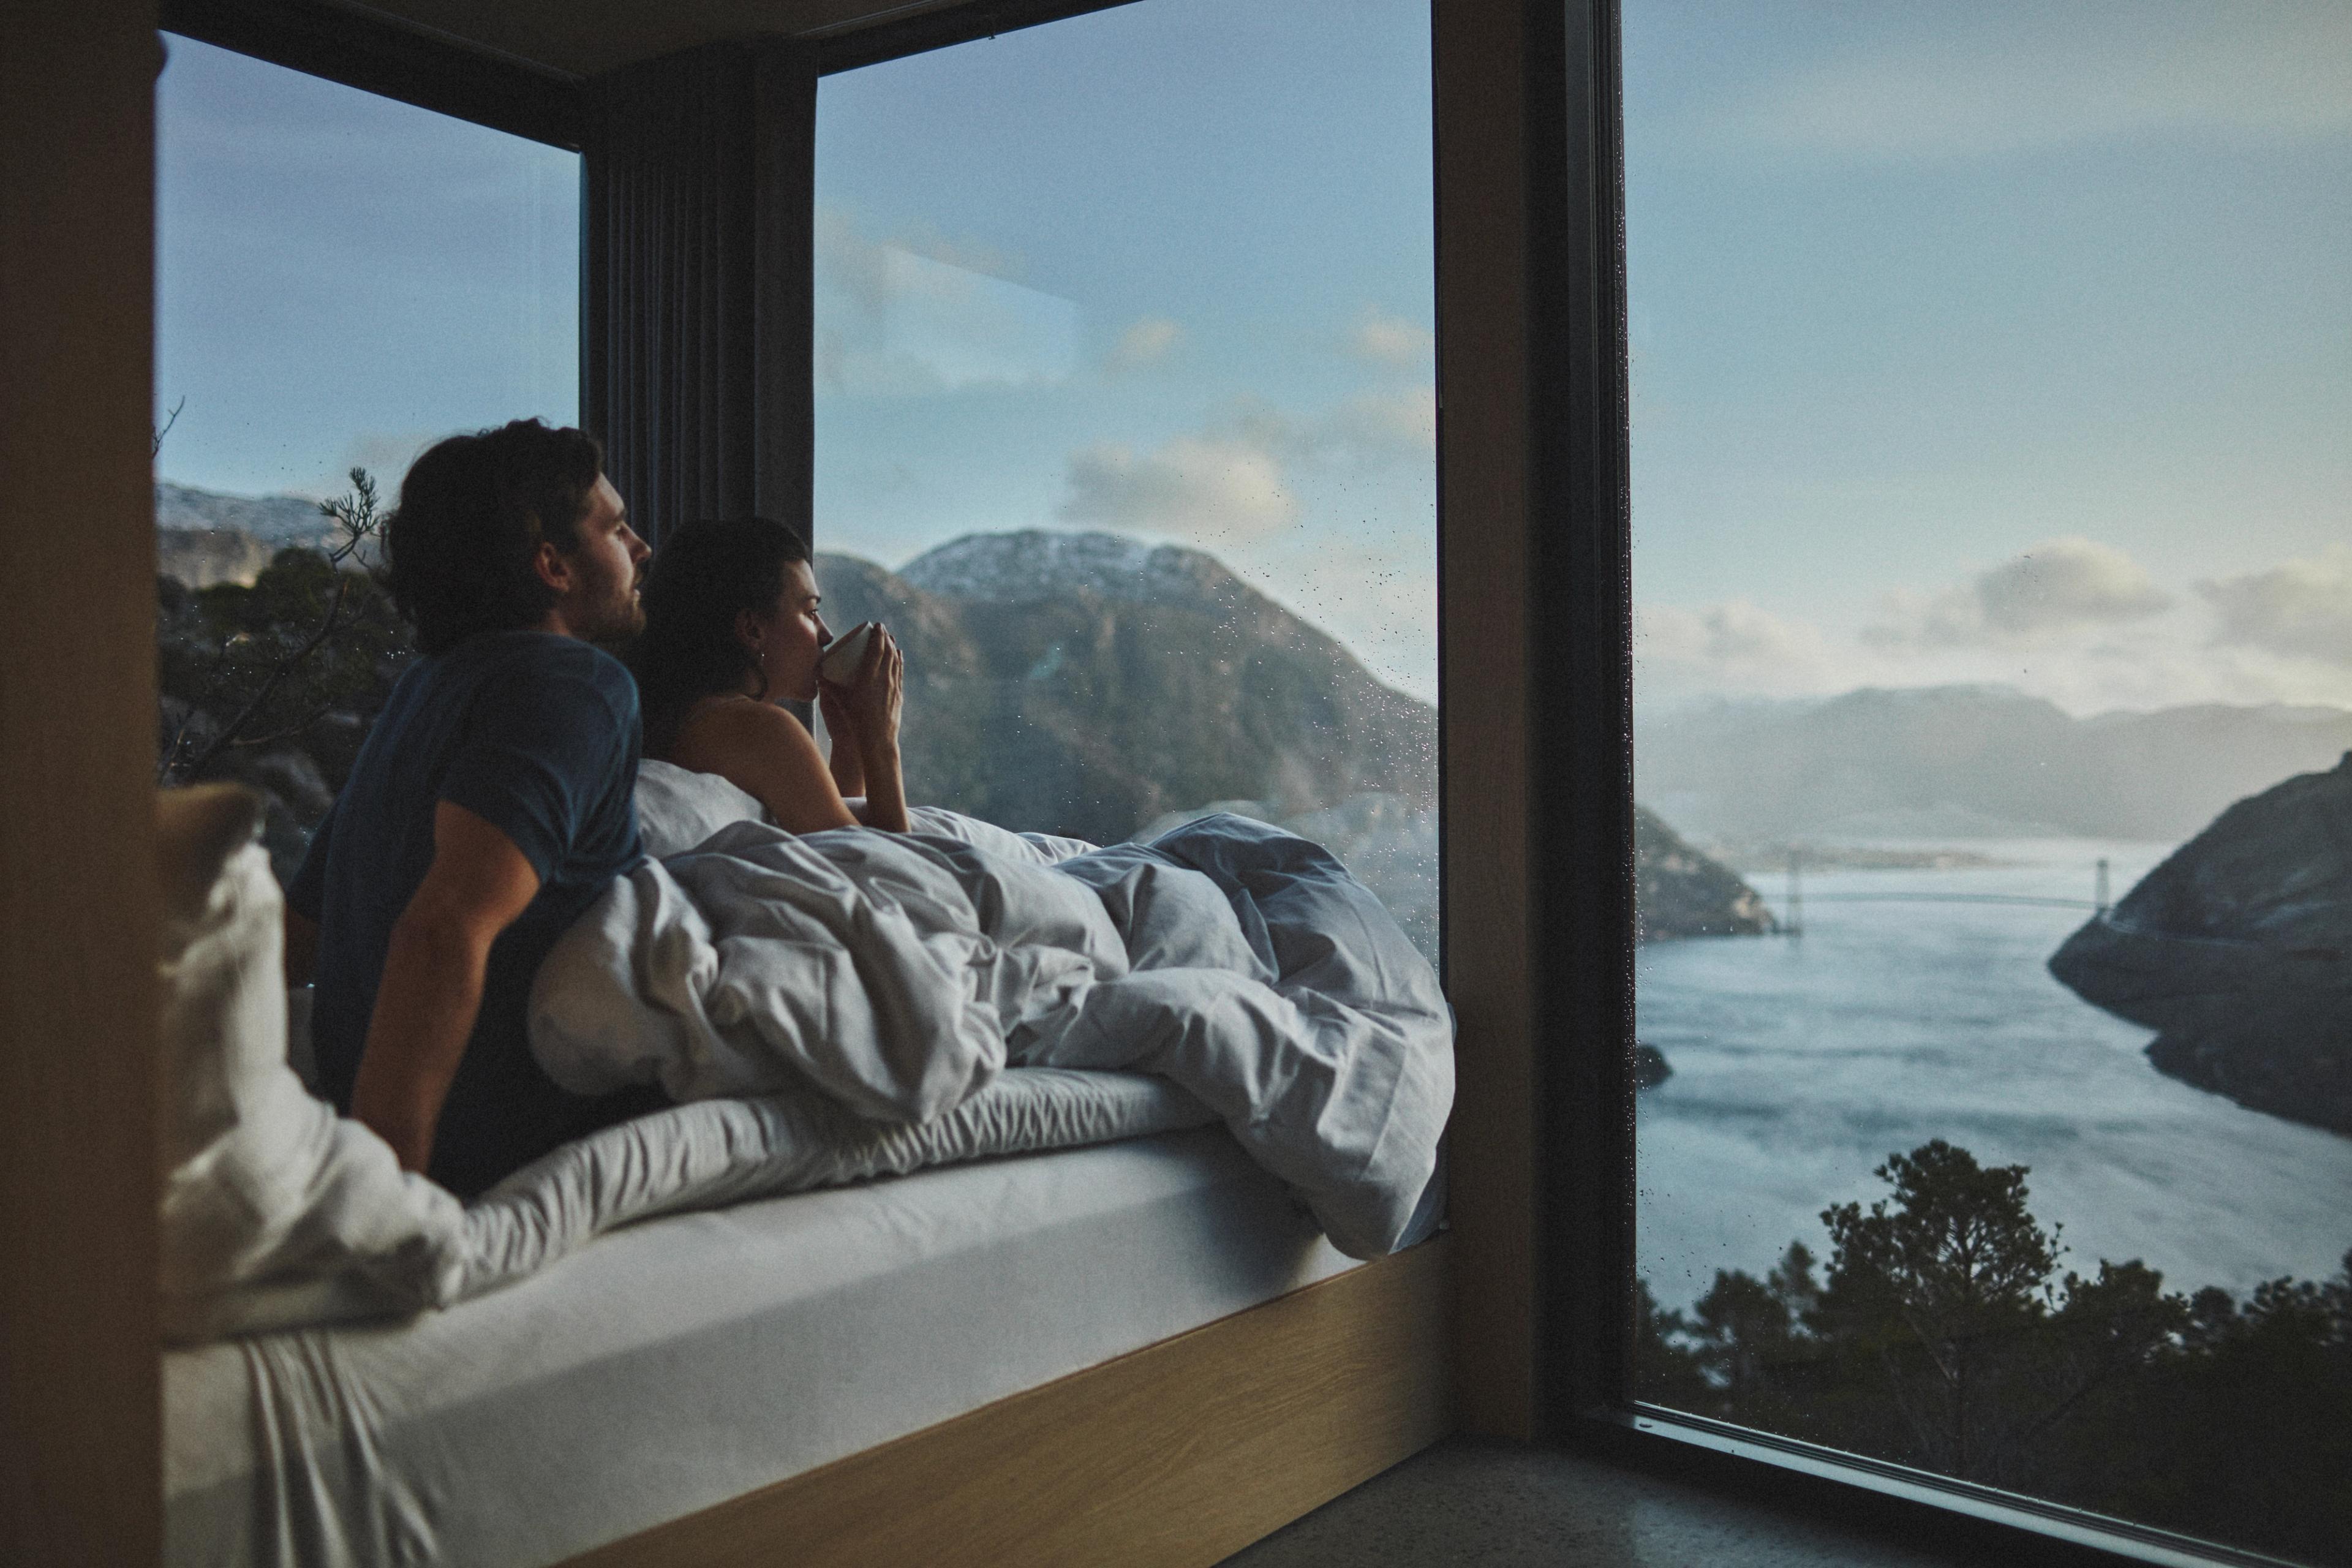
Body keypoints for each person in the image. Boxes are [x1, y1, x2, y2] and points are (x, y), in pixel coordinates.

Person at [282, 419, 662, 1199]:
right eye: (616, 527)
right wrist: (385, 1200)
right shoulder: (577, 685)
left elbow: (301, 935)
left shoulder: (427, 689)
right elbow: (444, 926)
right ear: (552, 565)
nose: (642, 547)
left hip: (386, 1112)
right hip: (497, 1149)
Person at [628, 516, 910, 834]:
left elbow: (833, 836)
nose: (826, 634)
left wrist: (848, 744)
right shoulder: (762, 730)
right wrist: (881, 739)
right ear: (752, 629)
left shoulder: (689, 716)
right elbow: (888, 870)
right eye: (811, 612)